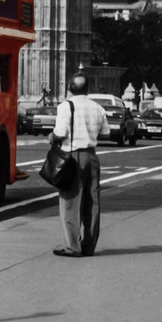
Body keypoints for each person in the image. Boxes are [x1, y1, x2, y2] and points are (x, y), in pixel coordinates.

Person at [48, 72, 109, 258]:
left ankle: (72, 246)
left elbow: (59, 131)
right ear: (88, 89)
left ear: (69, 88)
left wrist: (52, 137)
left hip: (72, 157)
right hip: (91, 157)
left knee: (70, 203)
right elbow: (106, 133)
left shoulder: (66, 106)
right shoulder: (98, 107)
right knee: (92, 203)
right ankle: (88, 246)